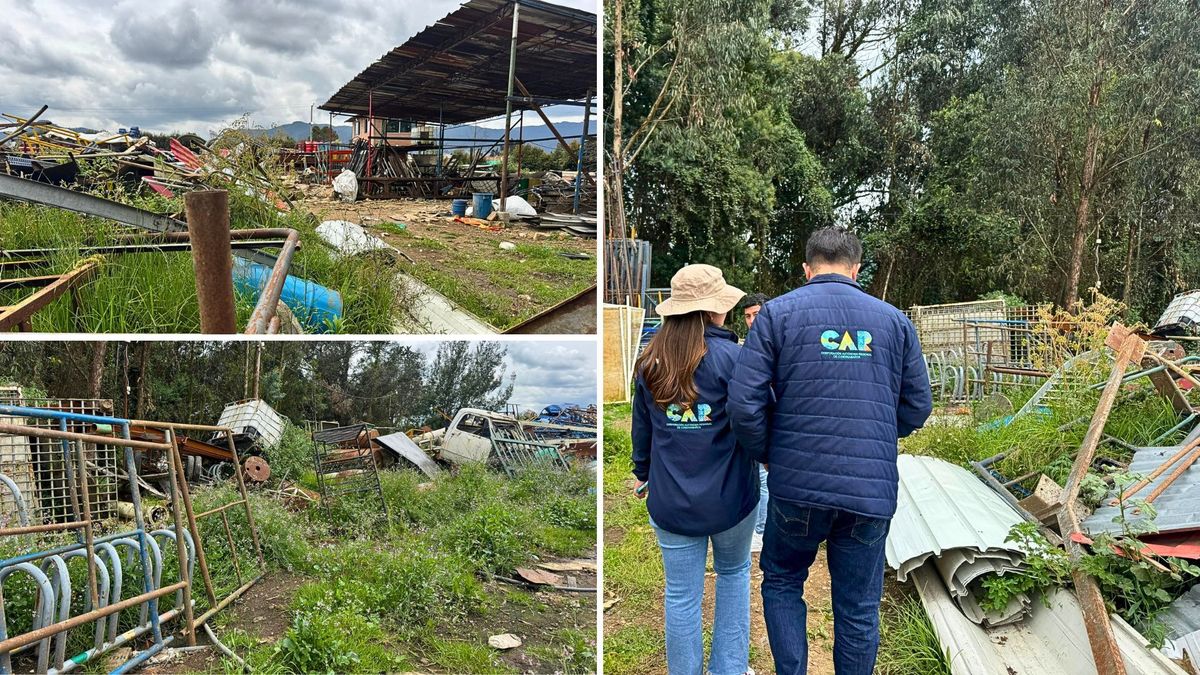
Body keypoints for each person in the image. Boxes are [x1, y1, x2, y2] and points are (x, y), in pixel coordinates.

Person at [727, 228, 933, 675]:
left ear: (807, 269)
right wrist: (874, 438)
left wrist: (772, 452)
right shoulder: (894, 321)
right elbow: (918, 407)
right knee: (858, 606)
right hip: (869, 492)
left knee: (782, 580)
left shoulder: (775, 316)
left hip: (796, 485)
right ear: (856, 269)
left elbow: (744, 405)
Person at [631, 264, 760, 675]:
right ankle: (729, 669)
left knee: (681, 595)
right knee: (734, 575)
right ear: (715, 310)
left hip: (671, 502)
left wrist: (642, 471)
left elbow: (642, 431)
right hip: (732, 500)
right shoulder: (737, 360)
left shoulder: (650, 361)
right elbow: (755, 423)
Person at [740, 292, 772, 553]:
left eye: (756, 315)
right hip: (752, 419)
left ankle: (761, 531)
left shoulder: (777, 341)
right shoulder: (744, 346)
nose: (751, 321)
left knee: (763, 478)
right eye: (747, 316)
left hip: (770, 419)